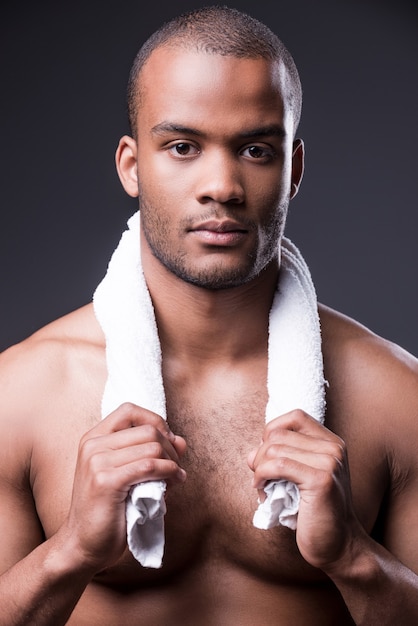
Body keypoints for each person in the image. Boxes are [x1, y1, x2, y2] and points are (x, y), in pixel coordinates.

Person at [1, 5, 418, 624]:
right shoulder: (21, 396)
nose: (220, 184)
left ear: (294, 170)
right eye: (182, 147)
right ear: (132, 165)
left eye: (254, 149)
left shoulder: (395, 397)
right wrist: (71, 552)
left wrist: (352, 556)